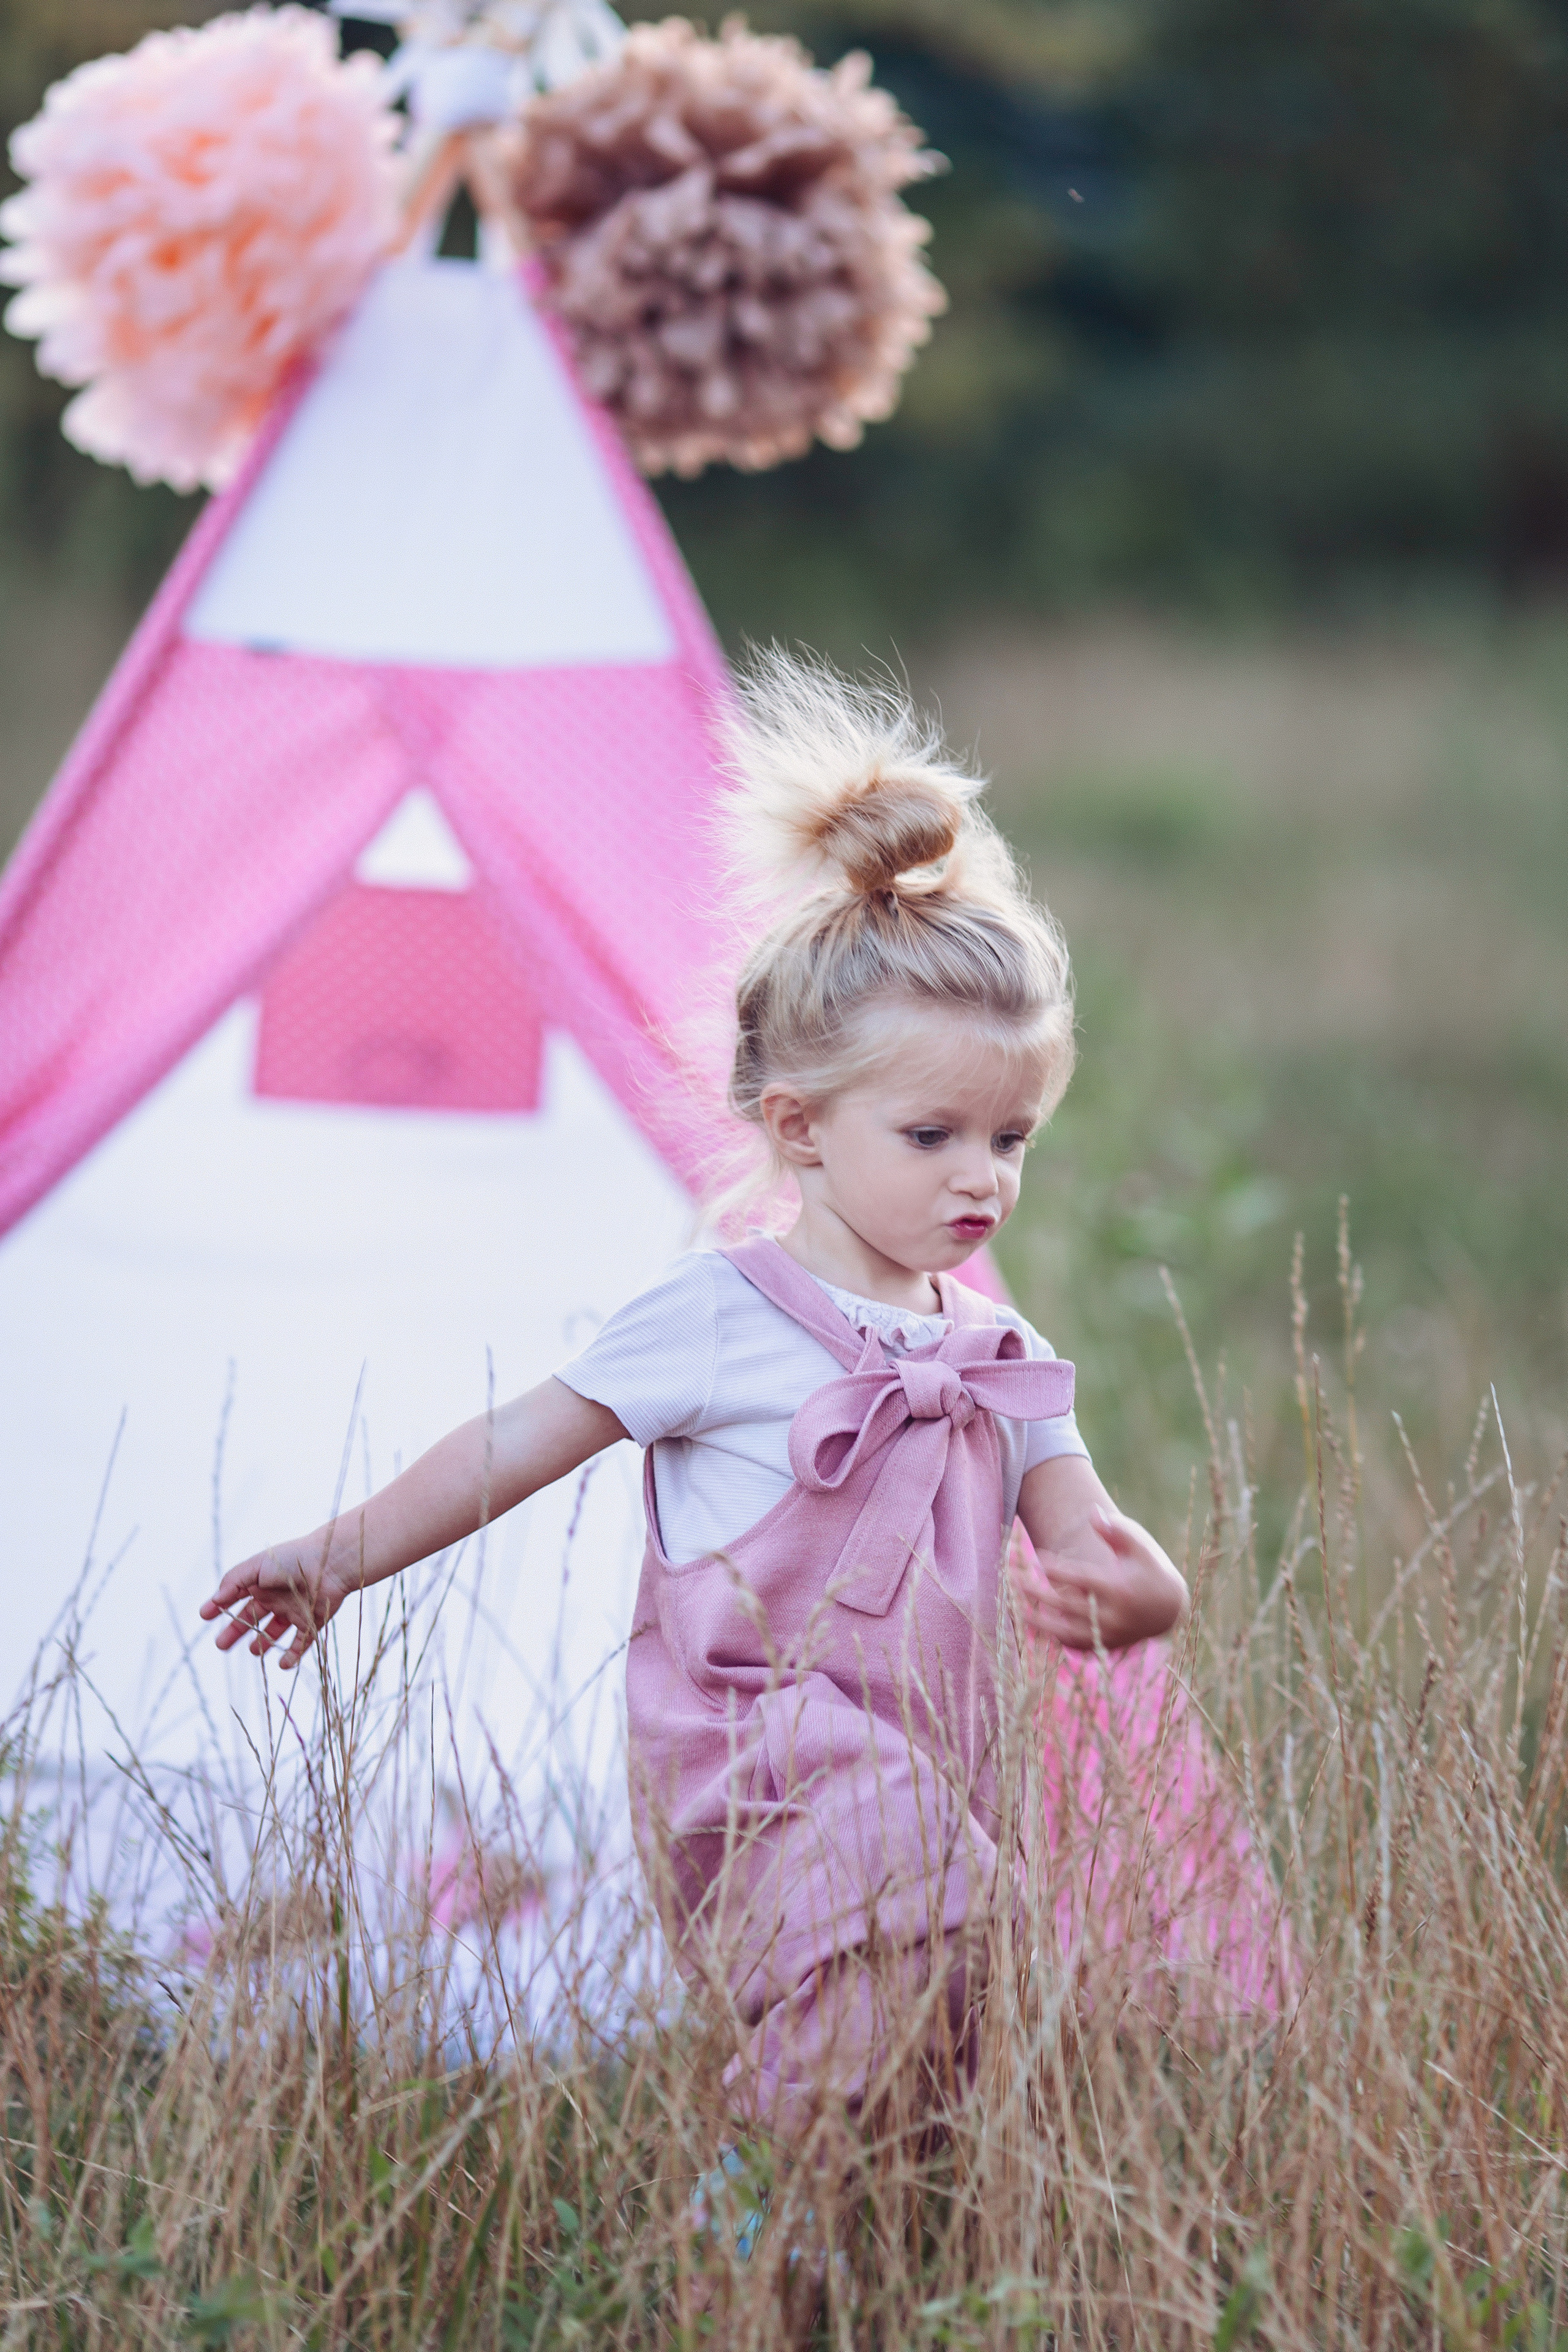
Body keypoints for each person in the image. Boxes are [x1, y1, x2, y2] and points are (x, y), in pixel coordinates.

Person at [201, 649, 1188, 2139]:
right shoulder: (718, 1318)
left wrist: (1138, 1600)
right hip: (758, 1754)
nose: (981, 1176)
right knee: (884, 1962)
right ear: (796, 1125)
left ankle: (804, 2247)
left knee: (922, 2046)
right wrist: (341, 1555)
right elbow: (512, 1445)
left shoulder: (995, 1353)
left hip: (933, 1754)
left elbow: (1095, 1537)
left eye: (1012, 1137)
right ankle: (730, 2209)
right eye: (932, 1135)